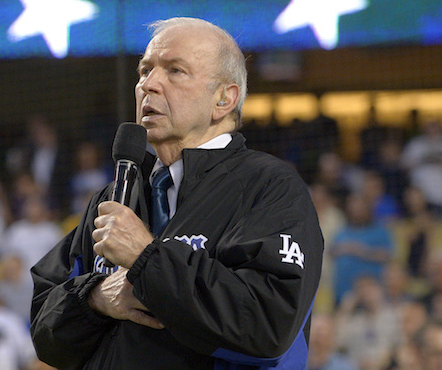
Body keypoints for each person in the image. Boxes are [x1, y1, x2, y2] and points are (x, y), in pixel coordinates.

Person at [30, 17, 323, 369]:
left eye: (175, 71)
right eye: (144, 71)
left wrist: (146, 258)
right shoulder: (115, 197)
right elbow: (44, 331)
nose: (148, 85)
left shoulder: (270, 187)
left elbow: (268, 326)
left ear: (224, 99)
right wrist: (94, 299)